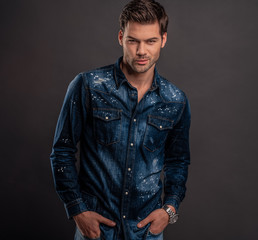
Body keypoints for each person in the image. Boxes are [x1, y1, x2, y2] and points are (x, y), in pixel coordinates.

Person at [50, 0, 191, 239]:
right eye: (133, 40)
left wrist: (170, 209)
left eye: (151, 41)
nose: (141, 51)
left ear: (163, 40)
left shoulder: (175, 100)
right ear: (120, 37)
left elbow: (178, 161)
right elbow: (62, 150)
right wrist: (77, 211)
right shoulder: (88, 86)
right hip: (96, 231)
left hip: (146, 232)